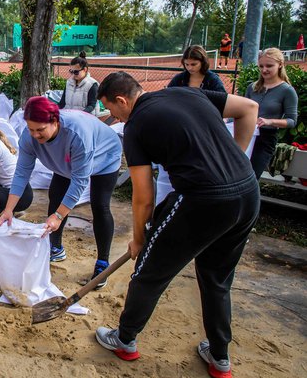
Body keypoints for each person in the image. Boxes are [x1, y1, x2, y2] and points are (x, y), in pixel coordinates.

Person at [94, 72, 260, 378]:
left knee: (149, 272)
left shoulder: (136, 127)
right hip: (247, 193)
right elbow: (249, 108)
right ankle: (220, 357)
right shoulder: (189, 93)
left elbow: (144, 196)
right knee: (217, 278)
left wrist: (139, 239)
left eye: (112, 110)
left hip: (201, 200)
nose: (114, 118)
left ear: (121, 100)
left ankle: (125, 338)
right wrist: (236, 159)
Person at [0, 97, 122, 288]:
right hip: (65, 161)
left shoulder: (76, 134)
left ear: (55, 122)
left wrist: (58, 216)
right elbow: (22, 173)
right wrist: (8, 209)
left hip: (103, 157)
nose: (35, 135)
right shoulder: (28, 137)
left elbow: (80, 181)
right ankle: (56, 247)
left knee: (100, 205)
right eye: (31, 129)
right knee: (55, 198)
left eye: (40, 130)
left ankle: (102, 263)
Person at [244, 48, 298, 179]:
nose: (264, 70)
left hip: (266, 138)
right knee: (237, 175)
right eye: (261, 66)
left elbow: (292, 121)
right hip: (246, 135)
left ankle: (251, 200)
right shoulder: (252, 87)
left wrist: (270, 121)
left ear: (280, 64)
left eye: (269, 66)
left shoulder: (287, 91)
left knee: (251, 177)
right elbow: (243, 110)